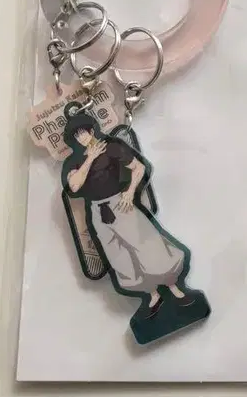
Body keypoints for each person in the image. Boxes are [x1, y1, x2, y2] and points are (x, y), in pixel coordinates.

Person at [61, 105, 209, 337]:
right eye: (77, 135)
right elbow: (74, 186)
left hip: (121, 204)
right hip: (98, 213)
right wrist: (89, 159)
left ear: (91, 129)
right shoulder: (74, 163)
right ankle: (152, 296)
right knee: (119, 256)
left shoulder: (112, 147)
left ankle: (175, 289)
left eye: (84, 131)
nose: (82, 137)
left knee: (147, 245)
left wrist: (130, 192)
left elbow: (138, 168)